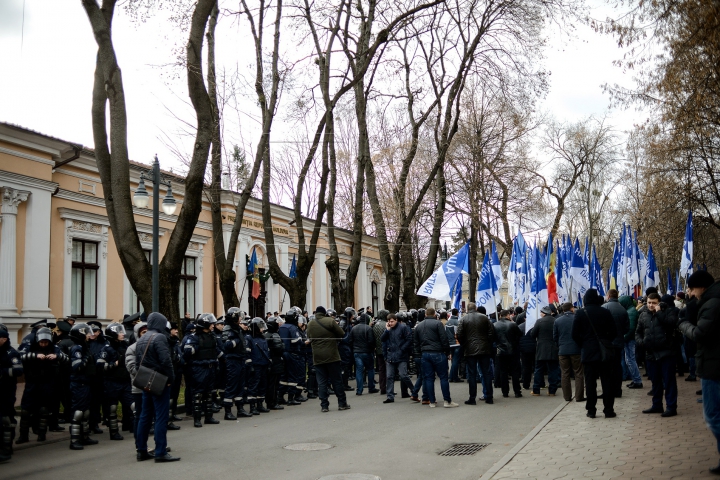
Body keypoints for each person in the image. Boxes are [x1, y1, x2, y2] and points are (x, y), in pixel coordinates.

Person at [677, 271, 720, 475]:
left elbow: (701, 333)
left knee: (712, 415)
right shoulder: (712, 300)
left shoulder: (712, 303)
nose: (690, 293)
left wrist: (684, 325)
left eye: (692, 289)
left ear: (701, 287)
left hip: (714, 365)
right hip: (713, 362)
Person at [134, 312, 179, 463]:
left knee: (145, 416)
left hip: (146, 380)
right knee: (161, 416)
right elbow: (166, 361)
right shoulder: (159, 337)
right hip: (159, 381)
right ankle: (160, 451)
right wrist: (170, 378)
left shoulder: (142, 338)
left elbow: (138, 361)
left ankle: (141, 450)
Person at [572, 289, 618, 419]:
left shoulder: (580, 313)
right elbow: (614, 331)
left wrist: (584, 344)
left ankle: (591, 410)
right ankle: (608, 410)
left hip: (588, 352)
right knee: (607, 382)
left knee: (590, 383)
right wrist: (606, 341)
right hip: (605, 352)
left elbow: (574, 334)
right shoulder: (605, 312)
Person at [636, 292, 679, 417]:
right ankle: (657, 405)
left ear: (659, 302)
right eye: (648, 302)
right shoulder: (643, 315)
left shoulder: (668, 312)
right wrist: (641, 343)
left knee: (669, 381)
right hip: (650, 353)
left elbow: (671, 324)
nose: (650, 305)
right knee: (655, 382)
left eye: (653, 303)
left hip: (666, 353)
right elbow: (638, 332)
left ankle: (671, 407)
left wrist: (659, 311)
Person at [306, 306, 350, 412]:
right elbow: (342, 334)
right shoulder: (330, 321)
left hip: (317, 357)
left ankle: (324, 405)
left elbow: (309, 337)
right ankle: (342, 403)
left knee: (321, 382)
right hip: (332, 356)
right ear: (324, 313)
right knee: (337, 380)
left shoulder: (310, 323)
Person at [183, 313, 222, 427]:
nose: (213, 326)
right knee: (198, 394)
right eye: (211, 324)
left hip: (211, 366)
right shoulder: (193, 337)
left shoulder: (212, 336)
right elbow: (187, 351)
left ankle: (209, 417)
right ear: (205, 324)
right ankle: (197, 419)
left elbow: (215, 350)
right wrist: (198, 347)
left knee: (209, 393)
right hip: (199, 368)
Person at [97, 322, 134, 441]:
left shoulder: (125, 345)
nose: (123, 334)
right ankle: (114, 432)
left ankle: (136, 428)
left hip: (125, 381)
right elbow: (100, 366)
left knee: (133, 406)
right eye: (120, 332)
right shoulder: (107, 349)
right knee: (112, 408)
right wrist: (114, 364)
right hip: (112, 382)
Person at [414, 307, 457, 407]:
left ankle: (432, 401)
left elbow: (416, 342)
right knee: (443, 377)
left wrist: (419, 354)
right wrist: (447, 352)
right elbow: (444, 339)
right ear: (434, 314)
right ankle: (447, 401)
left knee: (429, 378)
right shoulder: (438, 324)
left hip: (425, 353)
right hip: (438, 352)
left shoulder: (419, 326)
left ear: (425, 315)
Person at [456, 302, 495, 405]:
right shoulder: (484, 318)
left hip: (470, 349)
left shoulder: (463, 319)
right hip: (484, 348)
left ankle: (472, 398)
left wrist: (464, 344)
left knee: (472, 374)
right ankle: (489, 397)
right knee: (486, 373)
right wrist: (487, 343)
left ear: (467, 309)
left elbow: (459, 334)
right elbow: (491, 332)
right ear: (476, 308)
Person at [221, 307, 253, 420]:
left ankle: (240, 409)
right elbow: (226, 345)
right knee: (231, 386)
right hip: (232, 360)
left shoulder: (237, 329)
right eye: (239, 316)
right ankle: (228, 411)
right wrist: (237, 341)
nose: (241, 318)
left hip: (240, 359)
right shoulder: (227, 328)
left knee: (240, 385)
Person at [0, 324, 23, 462]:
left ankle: (7, 446)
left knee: (7, 419)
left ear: (4, 339)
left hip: (7, 390)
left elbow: (19, 370)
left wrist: (3, 373)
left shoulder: (11, 353)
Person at [554, 302, 584, 402]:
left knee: (565, 373)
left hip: (562, 350)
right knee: (578, 373)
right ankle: (579, 396)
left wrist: (560, 346)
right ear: (571, 309)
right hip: (576, 350)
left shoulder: (558, 321)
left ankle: (567, 396)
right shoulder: (577, 319)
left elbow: (555, 337)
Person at [381, 313, 414, 403]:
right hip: (391, 355)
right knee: (389, 376)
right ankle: (390, 396)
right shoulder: (389, 329)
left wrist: (402, 350)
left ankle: (413, 390)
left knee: (403, 375)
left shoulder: (403, 328)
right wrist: (387, 330)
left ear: (396, 320)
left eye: (392, 321)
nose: (390, 323)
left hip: (401, 355)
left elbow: (409, 339)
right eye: (389, 321)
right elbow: (382, 339)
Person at [603, 289, 630, 398]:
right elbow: (627, 328)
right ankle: (618, 391)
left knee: (607, 368)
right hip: (619, 342)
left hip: (607, 344)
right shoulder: (623, 309)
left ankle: (609, 391)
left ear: (608, 296)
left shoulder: (604, 308)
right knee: (618, 367)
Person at [279, 308, 307, 405]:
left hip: (283, 354)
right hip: (292, 354)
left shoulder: (282, 327)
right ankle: (291, 398)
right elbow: (297, 341)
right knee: (293, 376)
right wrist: (304, 341)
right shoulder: (292, 328)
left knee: (283, 376)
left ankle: (280, 396)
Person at [531, 306, 561, 396]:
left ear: (543, 313)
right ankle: (552, 391)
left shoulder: (539, 321)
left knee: (538, 370)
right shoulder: (556, 320)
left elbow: (533, 334)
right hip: (553, 348)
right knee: (553, 370)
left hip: (541, 349)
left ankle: (536, 390)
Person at [494, 309, 523, 398]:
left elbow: (493, 337)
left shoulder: (495, 325)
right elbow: (520, 334)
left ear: (500, 316)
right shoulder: (512, 324)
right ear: (508, 315)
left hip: (501, 351)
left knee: (503, 372)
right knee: (515, 372)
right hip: (513, 350)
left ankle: (505, 392)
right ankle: (517, 391)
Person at [247, 318, 271, 414]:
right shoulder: (249, 338)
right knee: (254, 385)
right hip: (255, 365)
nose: (262, 329)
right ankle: (252, 406)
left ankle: (260, 404)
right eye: (260, 327)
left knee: (262, 385)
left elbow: (267, 351)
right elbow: (247, 354)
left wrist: (268, 363)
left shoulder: (263, 338)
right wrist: (250, 366)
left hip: (264, 365)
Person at [618, 295, 643, 389]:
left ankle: (637, 380)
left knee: (630, 360)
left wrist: (623, 338)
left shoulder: (631, 312)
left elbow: (630, 329)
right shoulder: (631, 311)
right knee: (630, 360)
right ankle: (635, 379)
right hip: (630, 339)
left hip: (630, 340)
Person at [350, 312, 377, 395]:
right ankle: (371, 387)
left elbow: (350, 341)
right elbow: (371, 341)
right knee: (370, 369)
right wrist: (373, 348)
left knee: (359, 370)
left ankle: (359, 390)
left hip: (357, 352)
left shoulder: (354, 328)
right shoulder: (368, 329)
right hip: (367, 352)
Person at [264, 317, 285, 410]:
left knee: (270, 383)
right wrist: (283, 345)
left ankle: (269, 401)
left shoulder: (265, 335)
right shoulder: (275, 335)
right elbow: (280, 348)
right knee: (274, 384)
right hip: (275, 362)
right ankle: (272, 402)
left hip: (268, 362)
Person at [372, 310, 389, 395]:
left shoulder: (375, 325)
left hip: (378, 350)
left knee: (381, 370)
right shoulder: (386, 325)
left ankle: (382, 387)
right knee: (388, 369)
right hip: (386, 349)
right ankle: (388, 388)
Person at [446, 308, 462, 382]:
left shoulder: (448, 322)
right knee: (455, 360)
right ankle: (454, 377)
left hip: (450, 343)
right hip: (456, 343)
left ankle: (451, 377)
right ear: (457, 313)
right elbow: (457, 333)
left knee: (453, 360)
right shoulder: (457, 322)